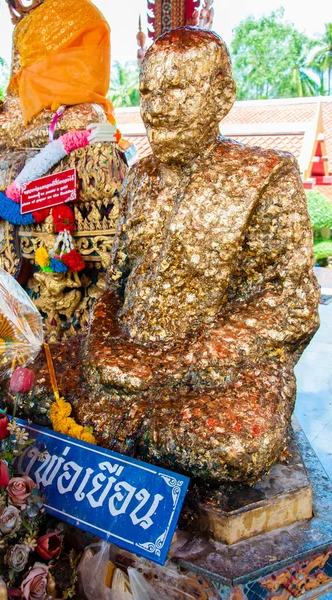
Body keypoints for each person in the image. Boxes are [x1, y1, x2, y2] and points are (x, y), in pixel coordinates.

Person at [76, 28, 319, 483]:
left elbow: (293, 303)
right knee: (30, 370)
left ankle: (119, 425)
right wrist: (103, 343)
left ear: (221, 95)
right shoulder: (140, 176)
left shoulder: (263, 175)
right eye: (147, 92)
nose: (156, 108)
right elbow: (116, 284)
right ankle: (122, 418)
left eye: (175, 90)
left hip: (215, 375)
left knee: (234, 442)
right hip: (127, 355)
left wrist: (170, 362)